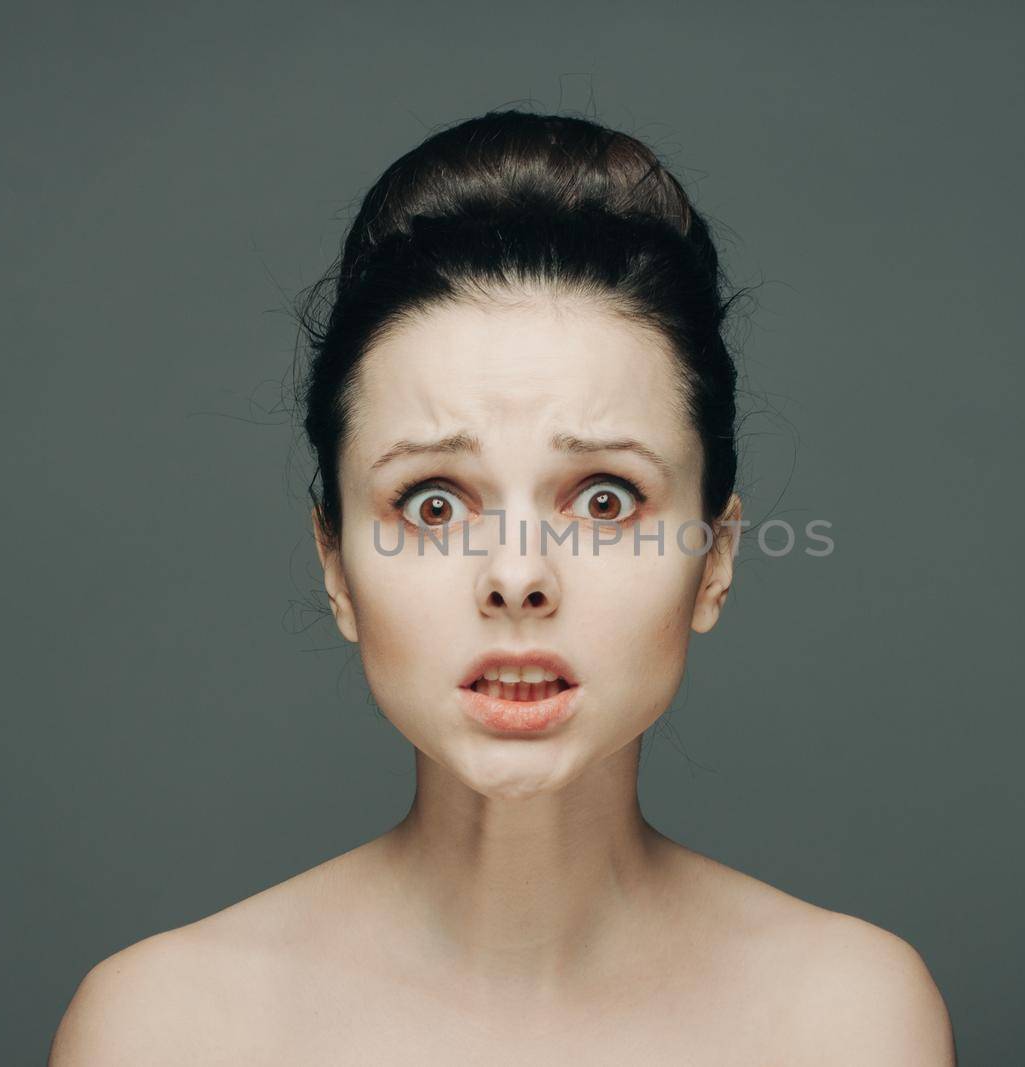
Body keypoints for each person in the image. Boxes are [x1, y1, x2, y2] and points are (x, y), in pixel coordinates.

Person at [49, 108, 956, 1065]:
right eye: (433, 504)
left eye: (606, 500)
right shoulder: (163, 1029)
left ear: (716, 556)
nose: (518, 575)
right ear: (335, 563)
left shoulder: (846, 1020)